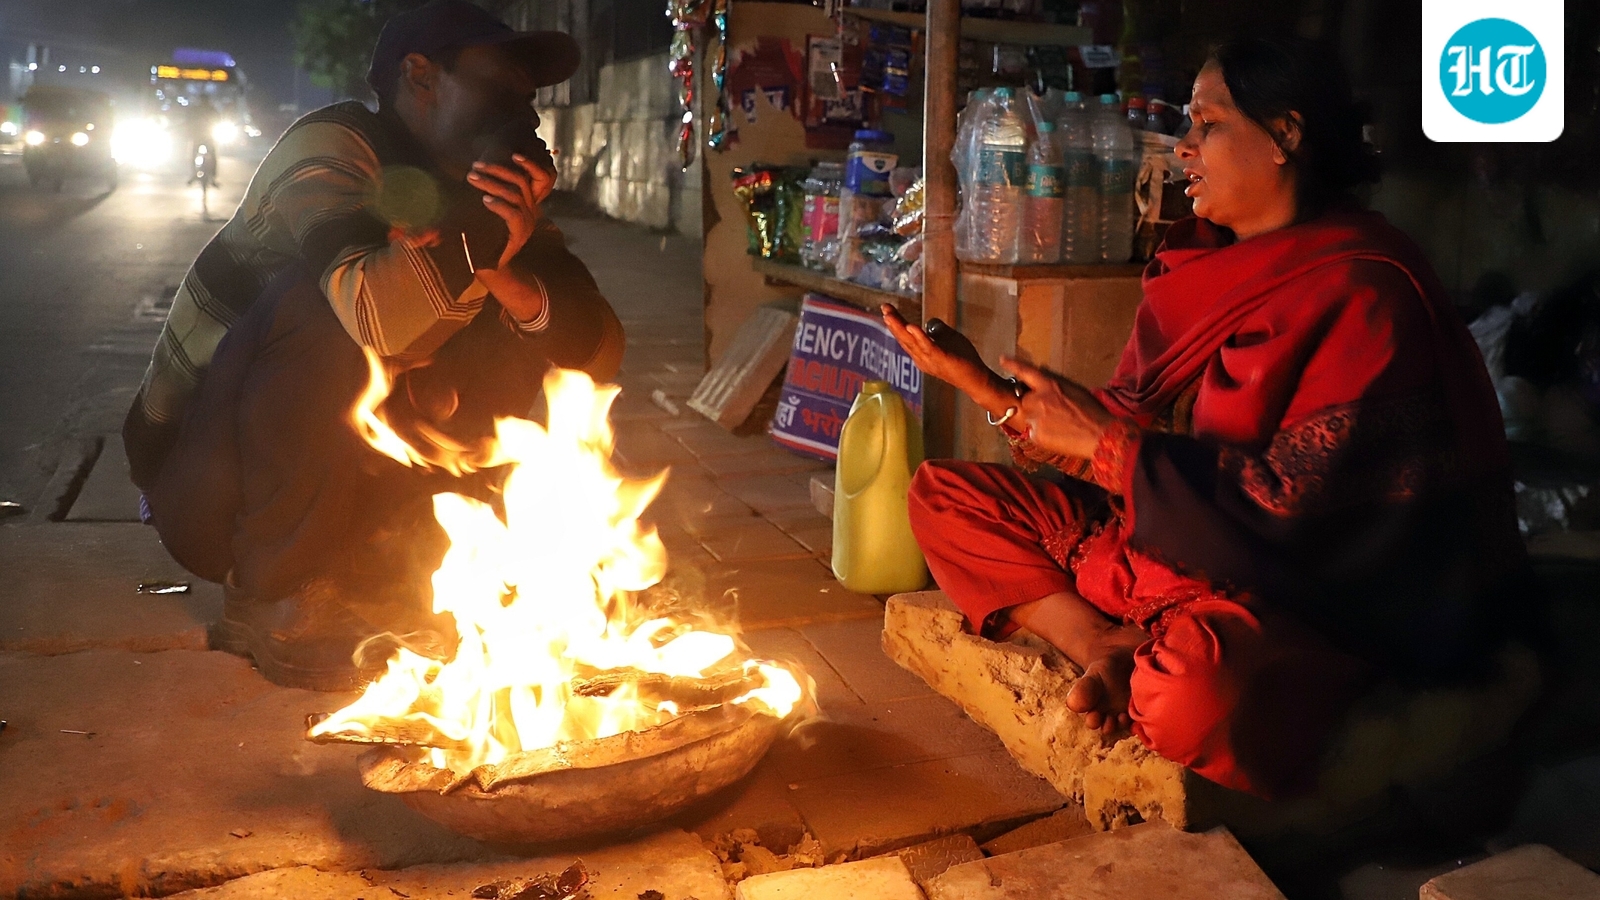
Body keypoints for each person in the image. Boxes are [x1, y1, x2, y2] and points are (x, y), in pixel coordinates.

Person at [882, 36, 1525, 799]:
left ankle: (1145, 656)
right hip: (1165, 540)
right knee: (941, 498)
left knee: (1192, 698)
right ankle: (1102, 642)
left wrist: (1109, 447)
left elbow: (1296, 518)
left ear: (1285, 135)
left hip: (1285, 584)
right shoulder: (1201, 269)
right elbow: (1111, 443)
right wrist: (982, 385)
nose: (1183, 147)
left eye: (1207, 125)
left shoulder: (1364, 289)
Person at [123, 0, 624, 691]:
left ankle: (399, 564)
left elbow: (597, 351)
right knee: (326, 300)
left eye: (528, 96)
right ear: (420, 77)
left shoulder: (487, 195)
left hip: (362, 496)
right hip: (209, 488)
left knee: (515, 314)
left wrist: (511, 272)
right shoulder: (332, 148)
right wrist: (478, 244)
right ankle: (274, 591)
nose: (524, 110)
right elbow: (369, 319)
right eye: (500, 84)